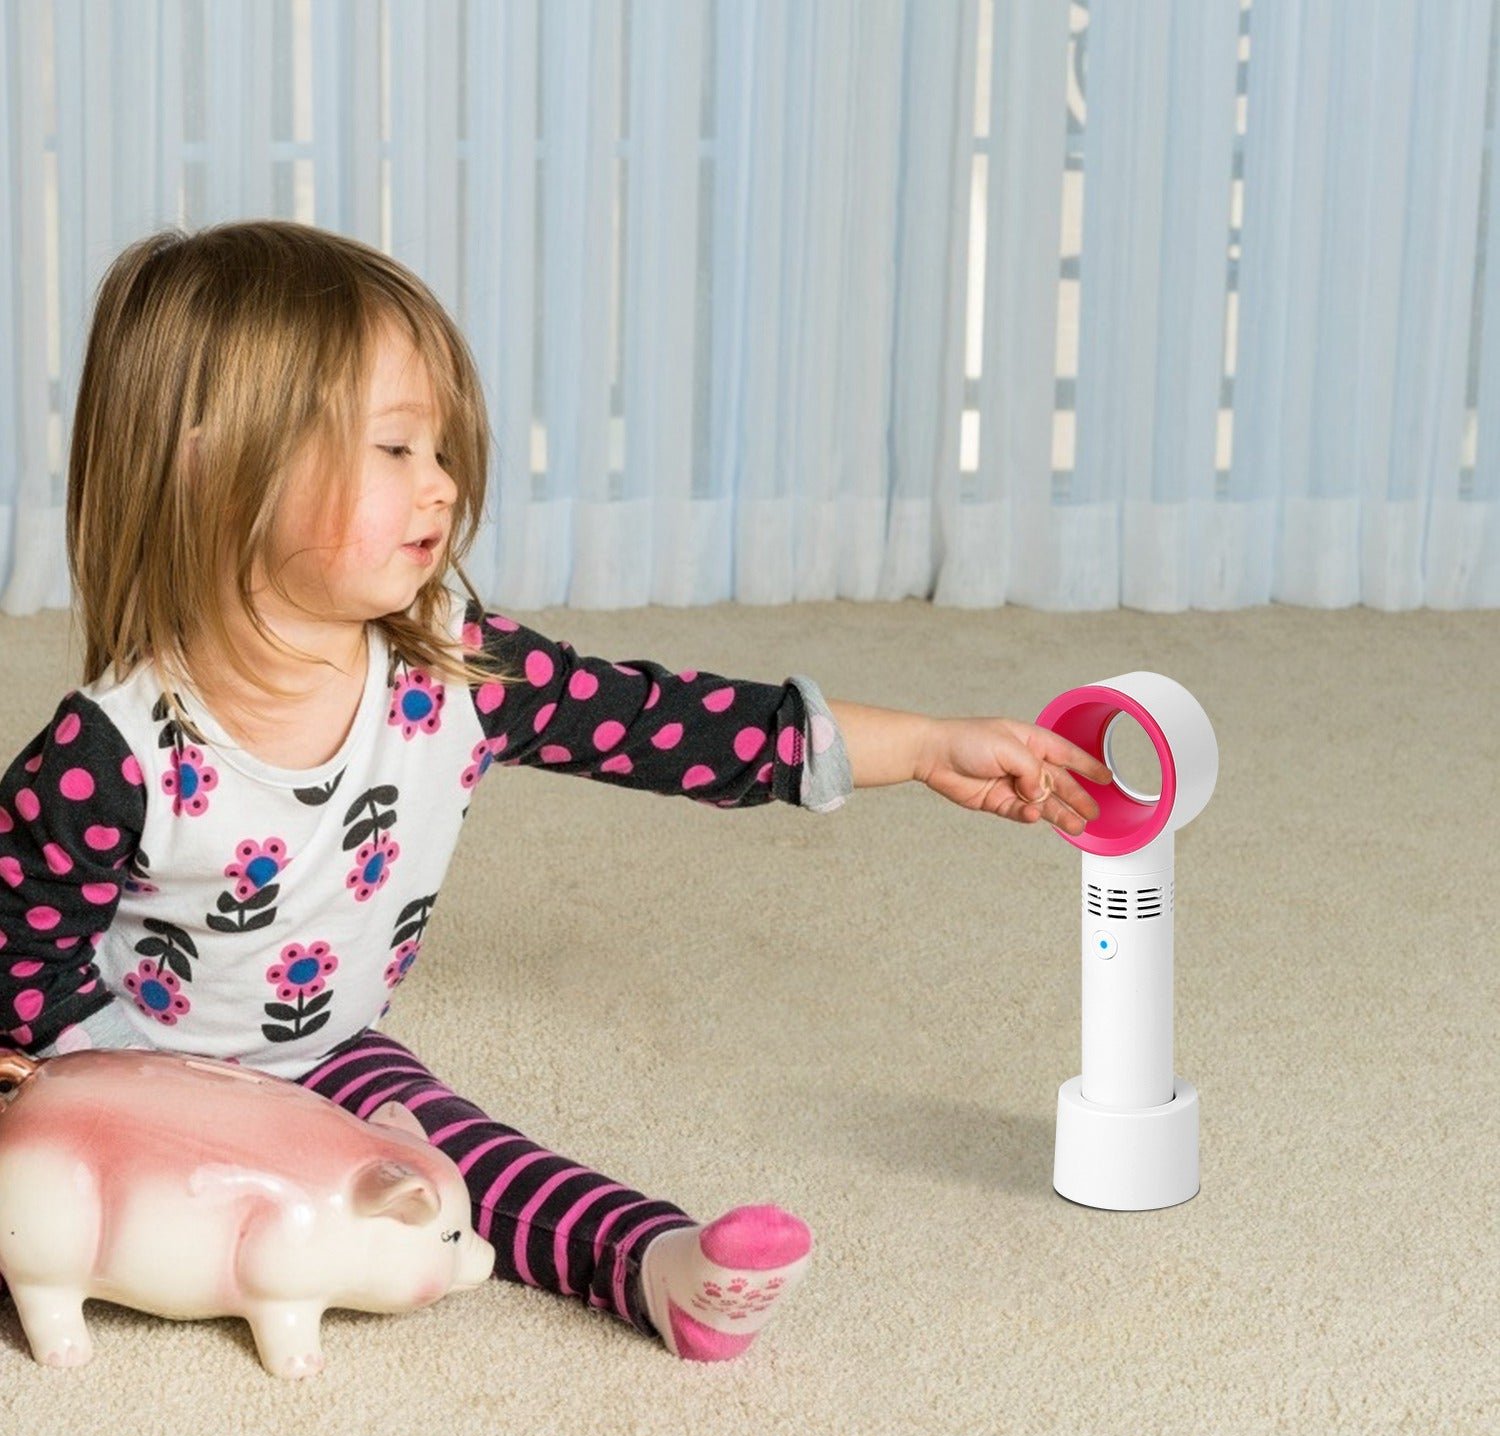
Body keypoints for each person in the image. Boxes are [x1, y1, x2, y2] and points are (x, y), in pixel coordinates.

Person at [0, 221, 1110, 1363]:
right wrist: (124, 1112)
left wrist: (924, 746)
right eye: (395, 448)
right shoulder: (112, 754)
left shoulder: (452, 670)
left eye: (441, 449)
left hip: (327, 1054)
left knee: (466, 1165)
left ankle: (658, 1266)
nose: (441, 484)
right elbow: (20, 969)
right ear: (214, 463)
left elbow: (675, 726)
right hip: (129, 1087)